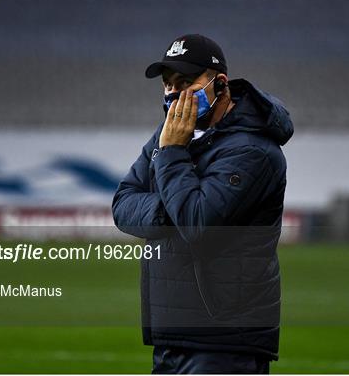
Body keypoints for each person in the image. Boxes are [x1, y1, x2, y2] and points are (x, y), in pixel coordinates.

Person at [112, 34, 293, 374]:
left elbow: (197, 223)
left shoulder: (252, 151)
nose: (173, 93)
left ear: (219, 83)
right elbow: (123, 203)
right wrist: (172, 208)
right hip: (173, 335)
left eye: (185, 82)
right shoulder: (170, 133)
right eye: (168, 84)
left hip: (223, 340)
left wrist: (172, 154)